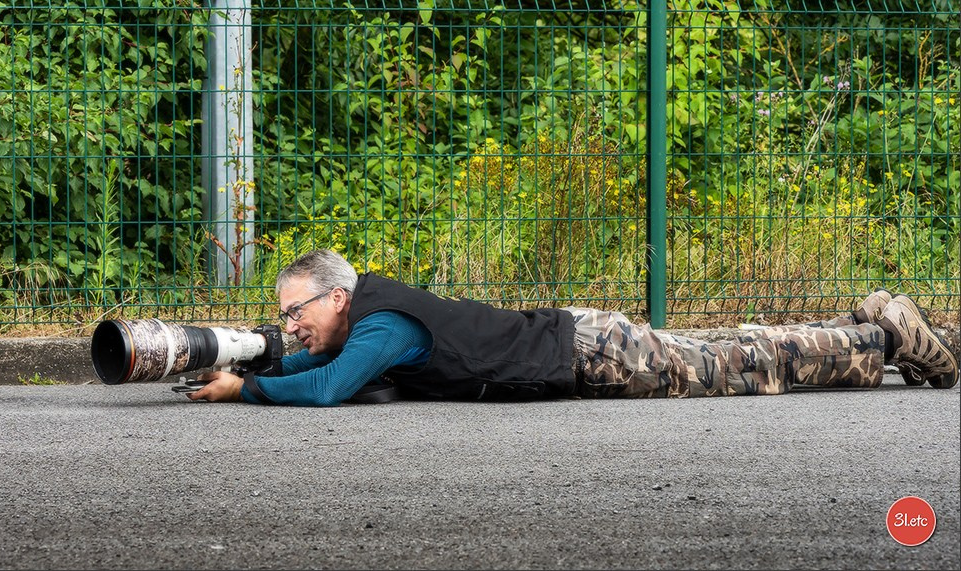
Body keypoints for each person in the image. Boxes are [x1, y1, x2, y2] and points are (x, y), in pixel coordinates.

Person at [186, 249, 959, 406]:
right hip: (583, 340)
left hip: (592, 355)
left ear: (338, 298)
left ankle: (885, 338)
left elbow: (329, 390)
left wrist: (243, 389)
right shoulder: (375, 317)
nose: (291, 323)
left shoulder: (382, 321)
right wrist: (258, 363)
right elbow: (320, 369)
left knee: (739, 368)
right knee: (728, 351)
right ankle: (864, 325)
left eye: (298, 310)